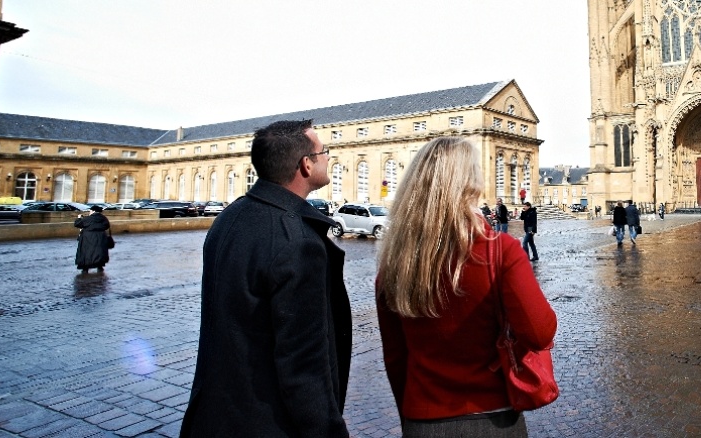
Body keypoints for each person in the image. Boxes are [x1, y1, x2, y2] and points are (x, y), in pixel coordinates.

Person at [181, 120, 351, 437]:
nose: (328, 157)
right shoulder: (297, 242)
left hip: (214, 417)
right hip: (268, 424)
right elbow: (303, 364)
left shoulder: (229, 217)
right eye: (323, 151)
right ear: (305, 164)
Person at [377, 137, 557, 436]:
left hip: (422, 421)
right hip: (493, 420)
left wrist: (410, 418)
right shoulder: (501, 251)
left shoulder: (395, 263)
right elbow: (540, 333)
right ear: (471, 184)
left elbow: (395, 359)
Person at [74, 206, 112, 272]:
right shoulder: (104, 218)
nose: (89, 212)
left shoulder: (88, 218)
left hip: (88, 237)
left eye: (90, 211)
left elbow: (77, 224)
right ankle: (99, 267)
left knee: (86, 252)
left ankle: (85, 268)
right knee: (99, 251)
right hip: (101, 237)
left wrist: (79, 218)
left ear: (93, 211)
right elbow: (107, 226)